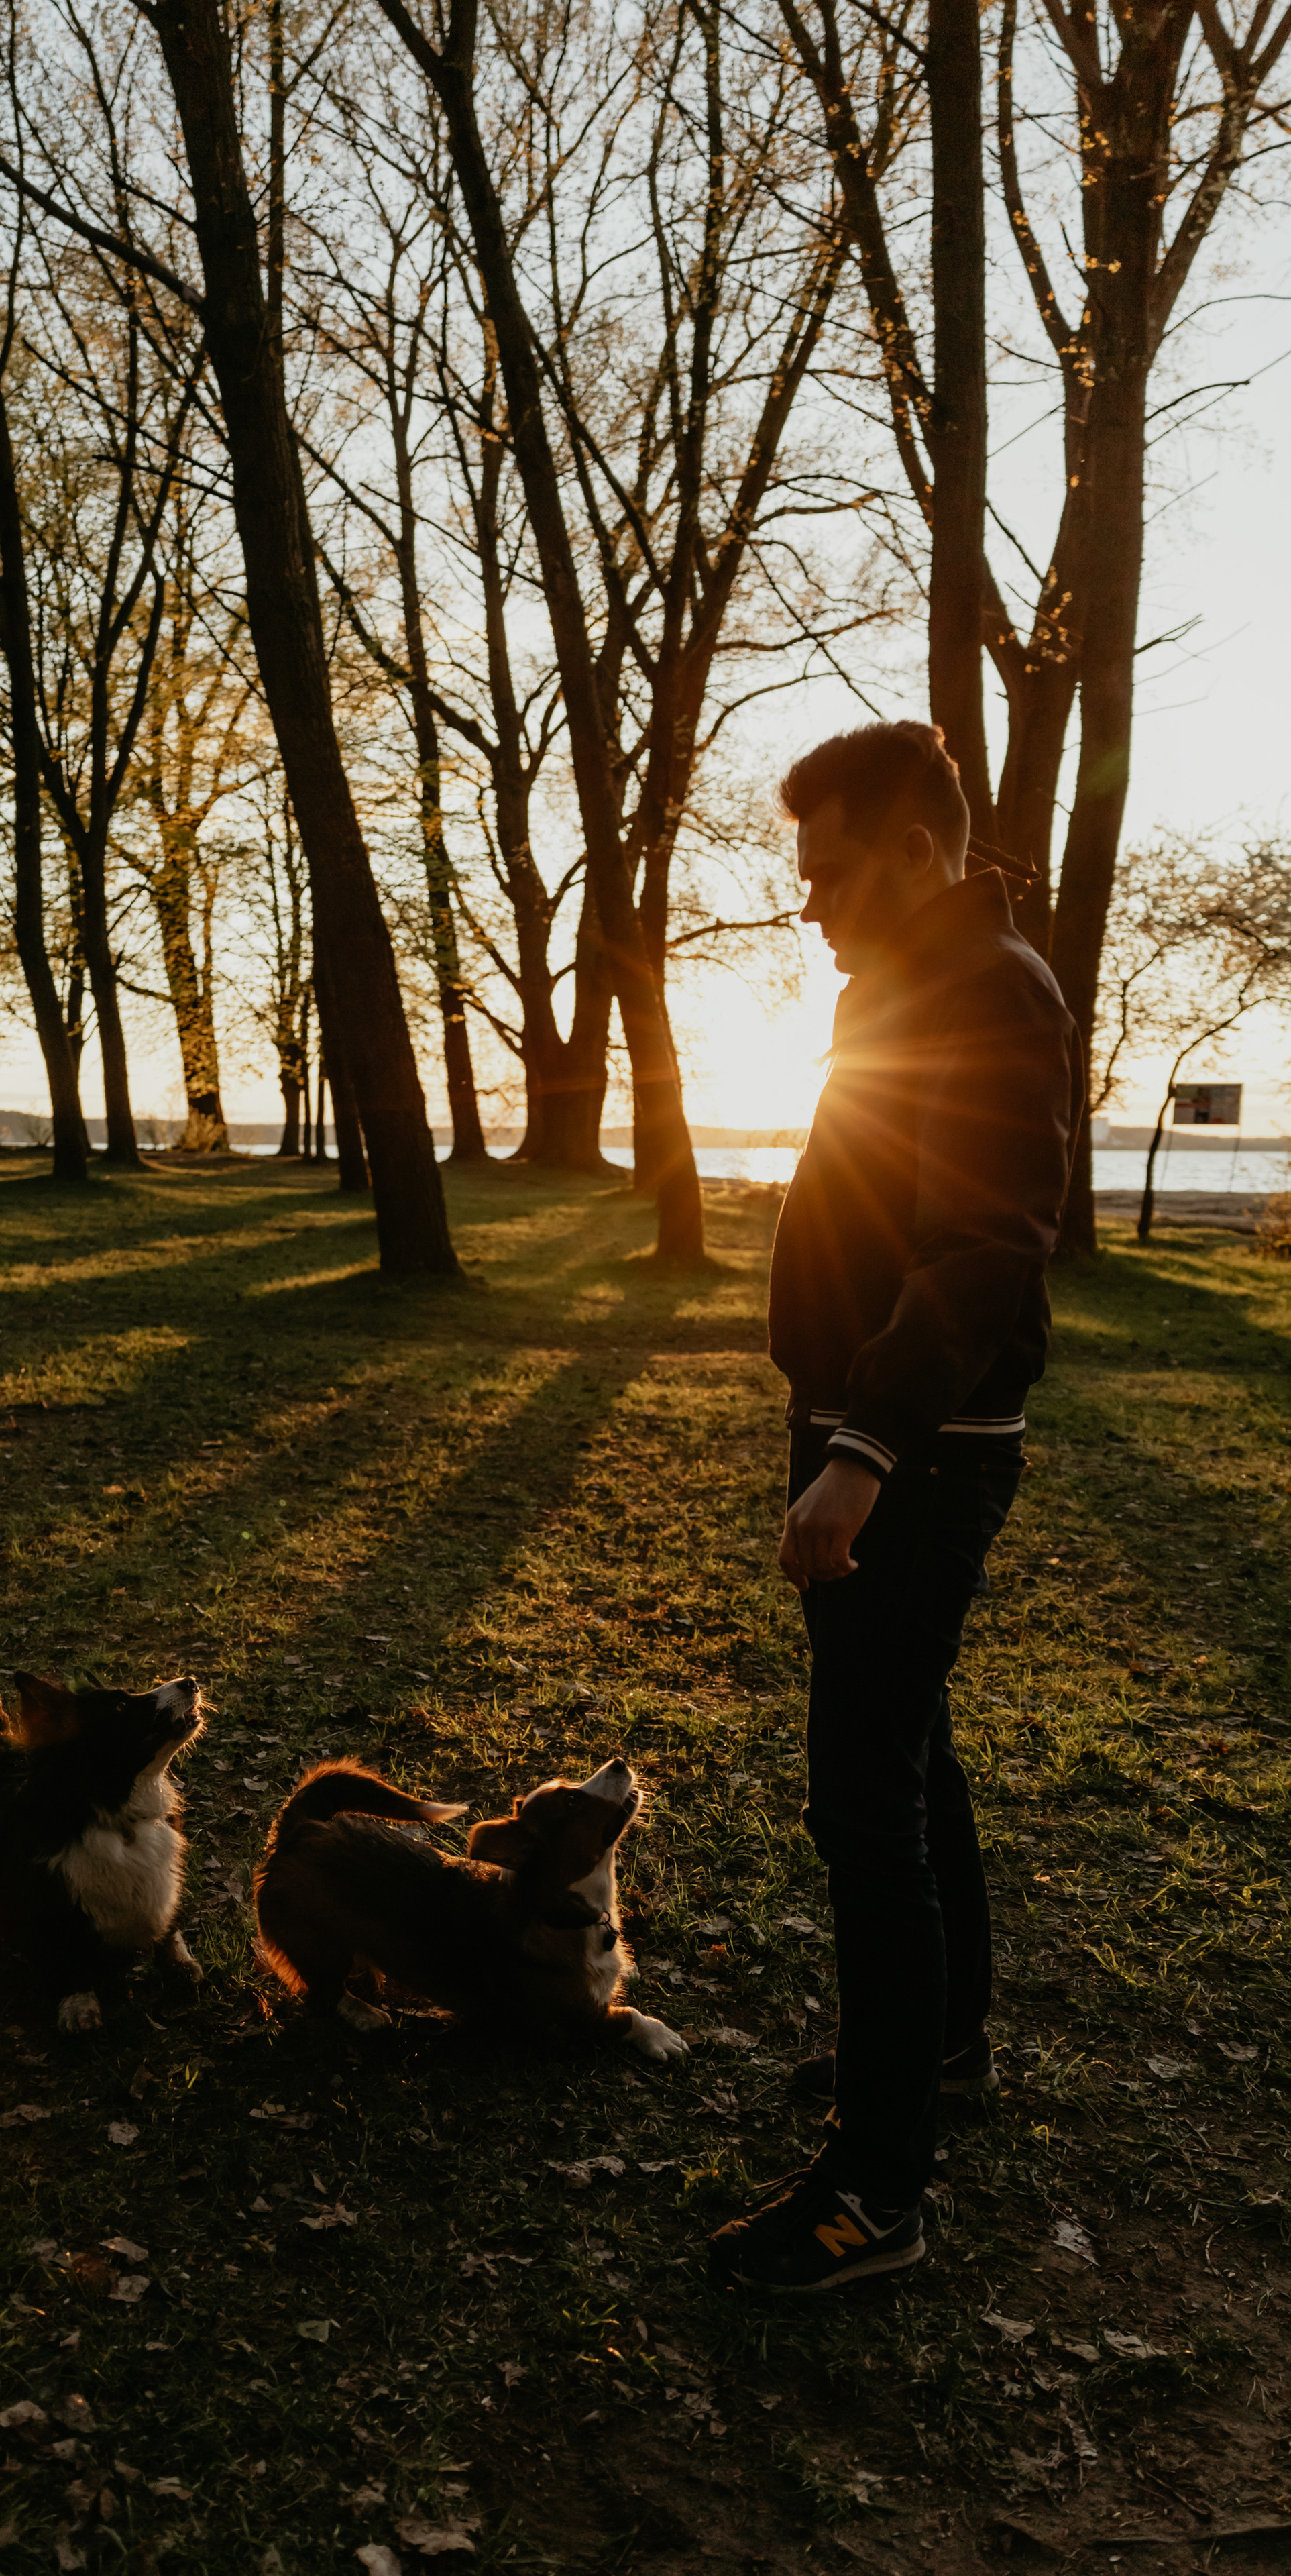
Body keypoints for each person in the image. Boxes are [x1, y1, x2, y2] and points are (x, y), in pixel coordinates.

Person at [708, 720, 1082, 2296]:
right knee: (907, 1754)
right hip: (879, 1427)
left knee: (861, 1799)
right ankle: (942, 2049)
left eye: (833, 867)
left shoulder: (983, 986)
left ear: (917, 849)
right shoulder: (921, 975)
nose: (809, 903)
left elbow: (983, 1242)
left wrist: (858, 1449)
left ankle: (875, 2193)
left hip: (917, 1448)